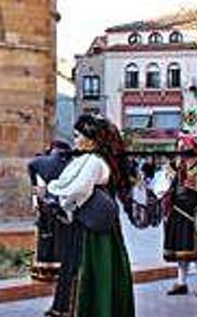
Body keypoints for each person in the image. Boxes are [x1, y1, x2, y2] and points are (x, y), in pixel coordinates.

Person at [42, 114, 135, 317]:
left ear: (91, 140)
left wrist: (60, 201)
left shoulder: (93, 161)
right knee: (77, 264)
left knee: (90, 268)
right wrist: (53, 190)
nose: (74, 139)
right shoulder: (84, 159)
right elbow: (63, 183)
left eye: (78, 135)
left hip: (92, 226)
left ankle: (92, 309)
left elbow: (79, 189)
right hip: (86, 221)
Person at [154, 133, 197, 297]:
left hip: (196, 215)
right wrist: (165, 188)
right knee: (180, 252)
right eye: (182, 153)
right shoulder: (173, 168)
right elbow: (161, 187)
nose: (185, 157)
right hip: (177, 213)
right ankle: (181, 283)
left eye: (188, 153)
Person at [27, 139, 72, 282]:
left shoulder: (38, 162)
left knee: (44, 236)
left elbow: (34, 178)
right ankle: (61, 270)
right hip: (62, 205)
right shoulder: (70, 163)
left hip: (45, 204)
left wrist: (35, 197)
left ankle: (42, 270)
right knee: (61, 237)